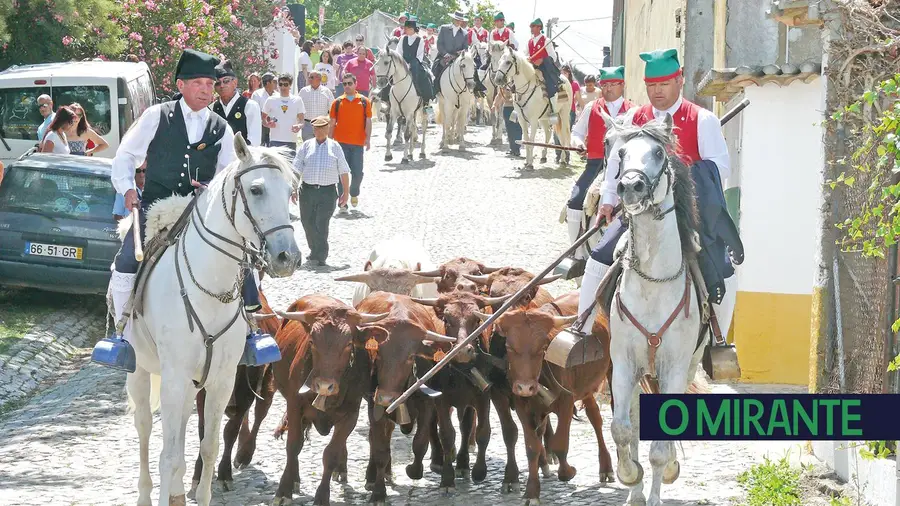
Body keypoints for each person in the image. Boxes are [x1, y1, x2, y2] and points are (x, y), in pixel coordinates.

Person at [93, 49, 274, 370]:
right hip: (157, 208)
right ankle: (122, 336)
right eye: (200, 83)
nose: (208, 89)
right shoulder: (156, 116)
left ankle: (250, 332)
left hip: (201, 212)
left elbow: (230, 171)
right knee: (125, 263)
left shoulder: (221, 127)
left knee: (242, 258)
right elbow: (124, 156)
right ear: (181, 84)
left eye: (211, 83)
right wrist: (128, 189)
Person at [572, 47, 737, 336]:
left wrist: (680, 179)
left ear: (679, 81)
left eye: (663, 84)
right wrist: (609, 200)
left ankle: (718, 343)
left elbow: (719, 169)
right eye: (651, 86)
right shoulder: (635, 117)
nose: (657, 92)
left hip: (687, 215)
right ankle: (581, 332)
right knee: (598, 258)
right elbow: (616, 161)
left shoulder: (702, 119)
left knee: (723, 269)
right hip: (636, 212)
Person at [562, 65, 634, 277]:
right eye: (606, 84)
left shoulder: (633, 110)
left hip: (623, 168)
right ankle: (575, 253)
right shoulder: (592, 107)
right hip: (595, 165)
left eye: (614, 84)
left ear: (622, 85)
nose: (609, 88)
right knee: (575, 201)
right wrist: (577, 143)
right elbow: (577, 131)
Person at [293, 115, 350, 267]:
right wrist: (293, 188)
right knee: (307, 222)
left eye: (322, 128)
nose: (319, 131)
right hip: (307, 190)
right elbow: (296, 169)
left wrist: (346, 192)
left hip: (328, 192)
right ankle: (313, 251)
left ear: (328, 128)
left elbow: (344, 170)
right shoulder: (305, 146)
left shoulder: (335, 147)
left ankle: (321, 255)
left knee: (321, 222)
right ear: (313, 129)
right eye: (316, 128)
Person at [329, 73, 371, 213]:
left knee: (358, 173)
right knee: (342, 173)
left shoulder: (364, 101)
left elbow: (368, 121)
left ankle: (354, 192)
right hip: (340, 144)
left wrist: (368, 139)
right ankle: (342, 203)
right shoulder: (337, 102)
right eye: (344, 84)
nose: (347, 86)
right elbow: (332, 123)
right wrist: (329, 141)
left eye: (349, 83)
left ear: (355, 84)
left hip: (358, 144)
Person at [213, 59, 262, 146]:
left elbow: (254, 141)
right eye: (217, 83)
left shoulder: (250, 106)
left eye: (226, 81)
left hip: (241, 158)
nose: (222, 85)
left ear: (235, 82)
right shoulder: (212, 108)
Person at [527, 18, 561, 125]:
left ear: (539, 27)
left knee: (550, 87)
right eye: (531, 26)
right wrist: (527, 58)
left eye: (533, 26)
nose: (531, 29)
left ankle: (553, 111)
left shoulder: (546, 40)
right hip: (532, 67)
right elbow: (525, 53)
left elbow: (553, 56)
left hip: (545, 68)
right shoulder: (530, 41)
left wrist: (542, 59)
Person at [262, 73, 305, 155]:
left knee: (289, 167)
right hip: (275, 140)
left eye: (285, 84)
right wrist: (268, 124)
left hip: (291, 141)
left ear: (290, 85)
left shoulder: (297, 100)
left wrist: (299, 126)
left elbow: (302, 120)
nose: (283, 87)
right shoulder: (271, 99)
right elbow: (263, 118)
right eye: (280, 84)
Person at [433, 11, 469, 96]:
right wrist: (446, 54)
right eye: (456, 19)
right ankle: (433, 92)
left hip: (457, 58)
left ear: (462, 21)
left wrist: (462, 52)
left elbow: (465, 48)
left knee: (470, 70)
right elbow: (439, 44)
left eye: (460, 20)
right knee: (434, 70)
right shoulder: (444, 28)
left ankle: (475, 91)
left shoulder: (465, 33)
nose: (458, 21)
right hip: (443, 56)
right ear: (453, 19)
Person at [398, 17, 434, 102]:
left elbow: (419, 55)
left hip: (415, 64)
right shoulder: (403, 38)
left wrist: (410, 64)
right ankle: (384, 98)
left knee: (425, 77)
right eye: (405, 28)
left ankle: (427, 102)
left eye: (407, 28)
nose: (405, 30)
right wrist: (403, 62)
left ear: (412, 29)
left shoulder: (419, 39)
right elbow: (398, 51)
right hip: (402, 63)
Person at [298, 70, 335, 141]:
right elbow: (298, 108)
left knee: (321, 148)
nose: (309, 79)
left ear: (319, 79)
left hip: (322, 125)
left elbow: (332, 109)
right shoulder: (303, 91)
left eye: (312, 77)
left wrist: (329, 123)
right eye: (309, 77)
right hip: (307, 125)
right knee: (308, 148)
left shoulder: (327, 92)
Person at [492, 85, 522, 157]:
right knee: (510, 130)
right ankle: (512, 148)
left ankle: (517, 149)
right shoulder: (504, 85)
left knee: (518, 129)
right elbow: (499, 95)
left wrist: (511, 100)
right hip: (508, 108)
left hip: (517, 108)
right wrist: (494, 105)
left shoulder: (519, 83)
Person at [252, 72, 276, 146]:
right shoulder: (257, 94)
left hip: (274, 124)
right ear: (268, 83)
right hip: (260, 125)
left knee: (272, 147)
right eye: (274, 82)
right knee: (260, 146)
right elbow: (254, 111)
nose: (276, 84)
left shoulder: (277, 95)